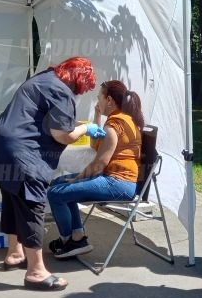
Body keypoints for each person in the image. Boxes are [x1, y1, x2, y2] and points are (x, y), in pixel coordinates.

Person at [0, 56, 104, 291]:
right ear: (78, 80)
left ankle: (15, 253)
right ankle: (36, 272)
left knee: (12, 199)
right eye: (81, 88)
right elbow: (62, 135)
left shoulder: (41, 79)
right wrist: (86, 128)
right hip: (23, 153)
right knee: (31, 205)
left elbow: (46, 119)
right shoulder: (62, 92)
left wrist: (77, 123)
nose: (78, 93)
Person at [46, 80, 144, 259]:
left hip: (118, 184)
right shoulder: (123, 118)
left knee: (55, 192)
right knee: (59, 183)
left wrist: (76, 179)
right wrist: (97, 118)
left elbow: (99, 164)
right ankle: (76, 237)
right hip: (119, 181)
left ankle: (70, 240)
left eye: (99, 98)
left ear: (109, 100)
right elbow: (96, 145)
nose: (96, 102)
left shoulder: (115, 125)